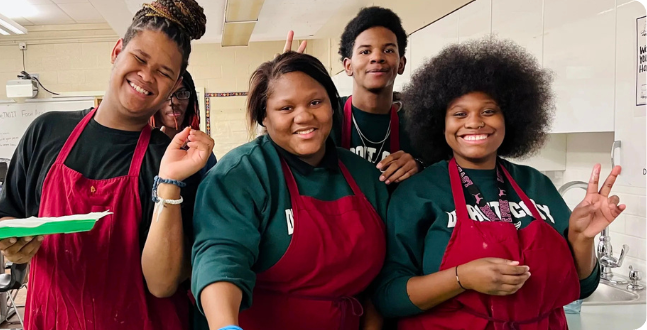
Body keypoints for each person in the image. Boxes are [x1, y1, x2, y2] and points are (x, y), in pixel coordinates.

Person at [0, 1, 212, 329]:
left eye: (164, 72)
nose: (147, 76)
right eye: (139, 58)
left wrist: (169, 183)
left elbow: (163, 285)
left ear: (175, 84)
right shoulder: (47, 131)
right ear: (117, 51)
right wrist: (12, 243)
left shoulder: (169, 159)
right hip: (52, 319)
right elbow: (6, 216)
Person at [373, 38, 622, 329]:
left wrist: (582, 239)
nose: (475, 122)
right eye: (460, 114)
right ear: (440, 124)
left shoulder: (535, 184)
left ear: (510, 119)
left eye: (489, 111)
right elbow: (388, 297)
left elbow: (579, 288)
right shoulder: (418, 193)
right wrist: (461, 278)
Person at [190, 52, 388, 330]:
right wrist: (225, 326)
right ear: (265, 118)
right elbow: (220, 256)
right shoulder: (241, 174)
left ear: (333, 105)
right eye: (286, 108)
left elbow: (382, 278)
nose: (304, 116)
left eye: (315, 102)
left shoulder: (364, 176)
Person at [283, 7, 424, 187]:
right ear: (348, 66)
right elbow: (283, 148)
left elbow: (446, 169)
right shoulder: (326, 114)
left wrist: (419, 166)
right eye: (365, 51)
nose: (377, 57)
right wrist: (281, 86)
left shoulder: (418, 121)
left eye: (388, 50)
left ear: (401, 64)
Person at [151, 70, 217, 176]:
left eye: (182, 93)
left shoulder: (200, 149)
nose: (175, 102)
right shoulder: (138, 149)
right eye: (166, 94)